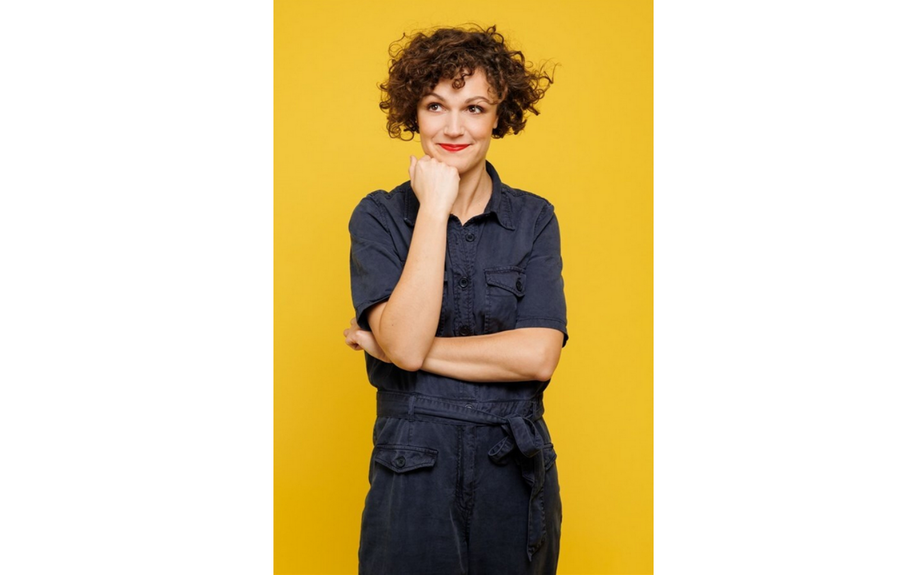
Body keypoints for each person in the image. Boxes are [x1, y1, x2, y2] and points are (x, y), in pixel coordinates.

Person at [342, 24, 567, 575]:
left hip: (512, 470)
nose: (453, 127)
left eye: (474, 108)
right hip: (411, 469)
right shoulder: (379, 216)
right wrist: (434, 209)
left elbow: (538, 356)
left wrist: (402, 350)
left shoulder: (534, 218)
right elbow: (405, 345)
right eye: (435, 106)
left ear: (498, 116)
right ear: (414, 114)